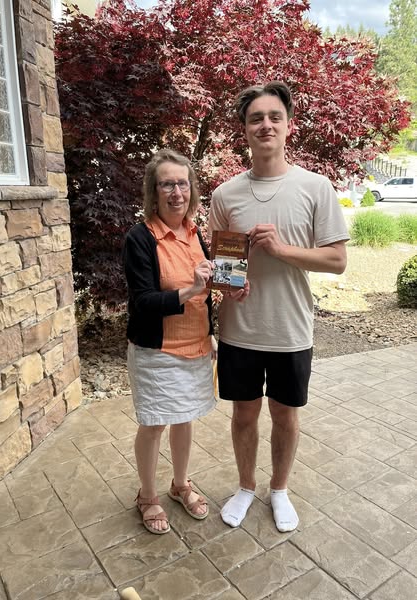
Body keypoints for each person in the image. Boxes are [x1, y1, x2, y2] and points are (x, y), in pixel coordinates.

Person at [209, 81, 349, 532]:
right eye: (256, 118)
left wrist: (282, 249)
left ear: (289, 126)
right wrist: (228, 285)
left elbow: (337, 261)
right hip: (240, 329)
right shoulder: (225, 195)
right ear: (244, 130)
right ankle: (246, 486)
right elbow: (222, 265)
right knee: (243, 414)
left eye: (274, 117)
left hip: (290, 328)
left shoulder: (315, 187)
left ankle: (280, 490)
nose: (265, 125)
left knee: (285, 415)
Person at [124, 148, 216, 535]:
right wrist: (190, 289)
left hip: (196, 347)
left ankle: (180, 485)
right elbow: (143, 303)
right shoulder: (140, 237)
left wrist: (227, 290)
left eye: (182, 183)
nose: (176, 192)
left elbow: (206, 290)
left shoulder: (195, 233)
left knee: (184, 417)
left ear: (191, 189)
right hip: (157, 352)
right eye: (167, 184)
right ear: (154, 191)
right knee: (154, 424)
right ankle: (148, 496)